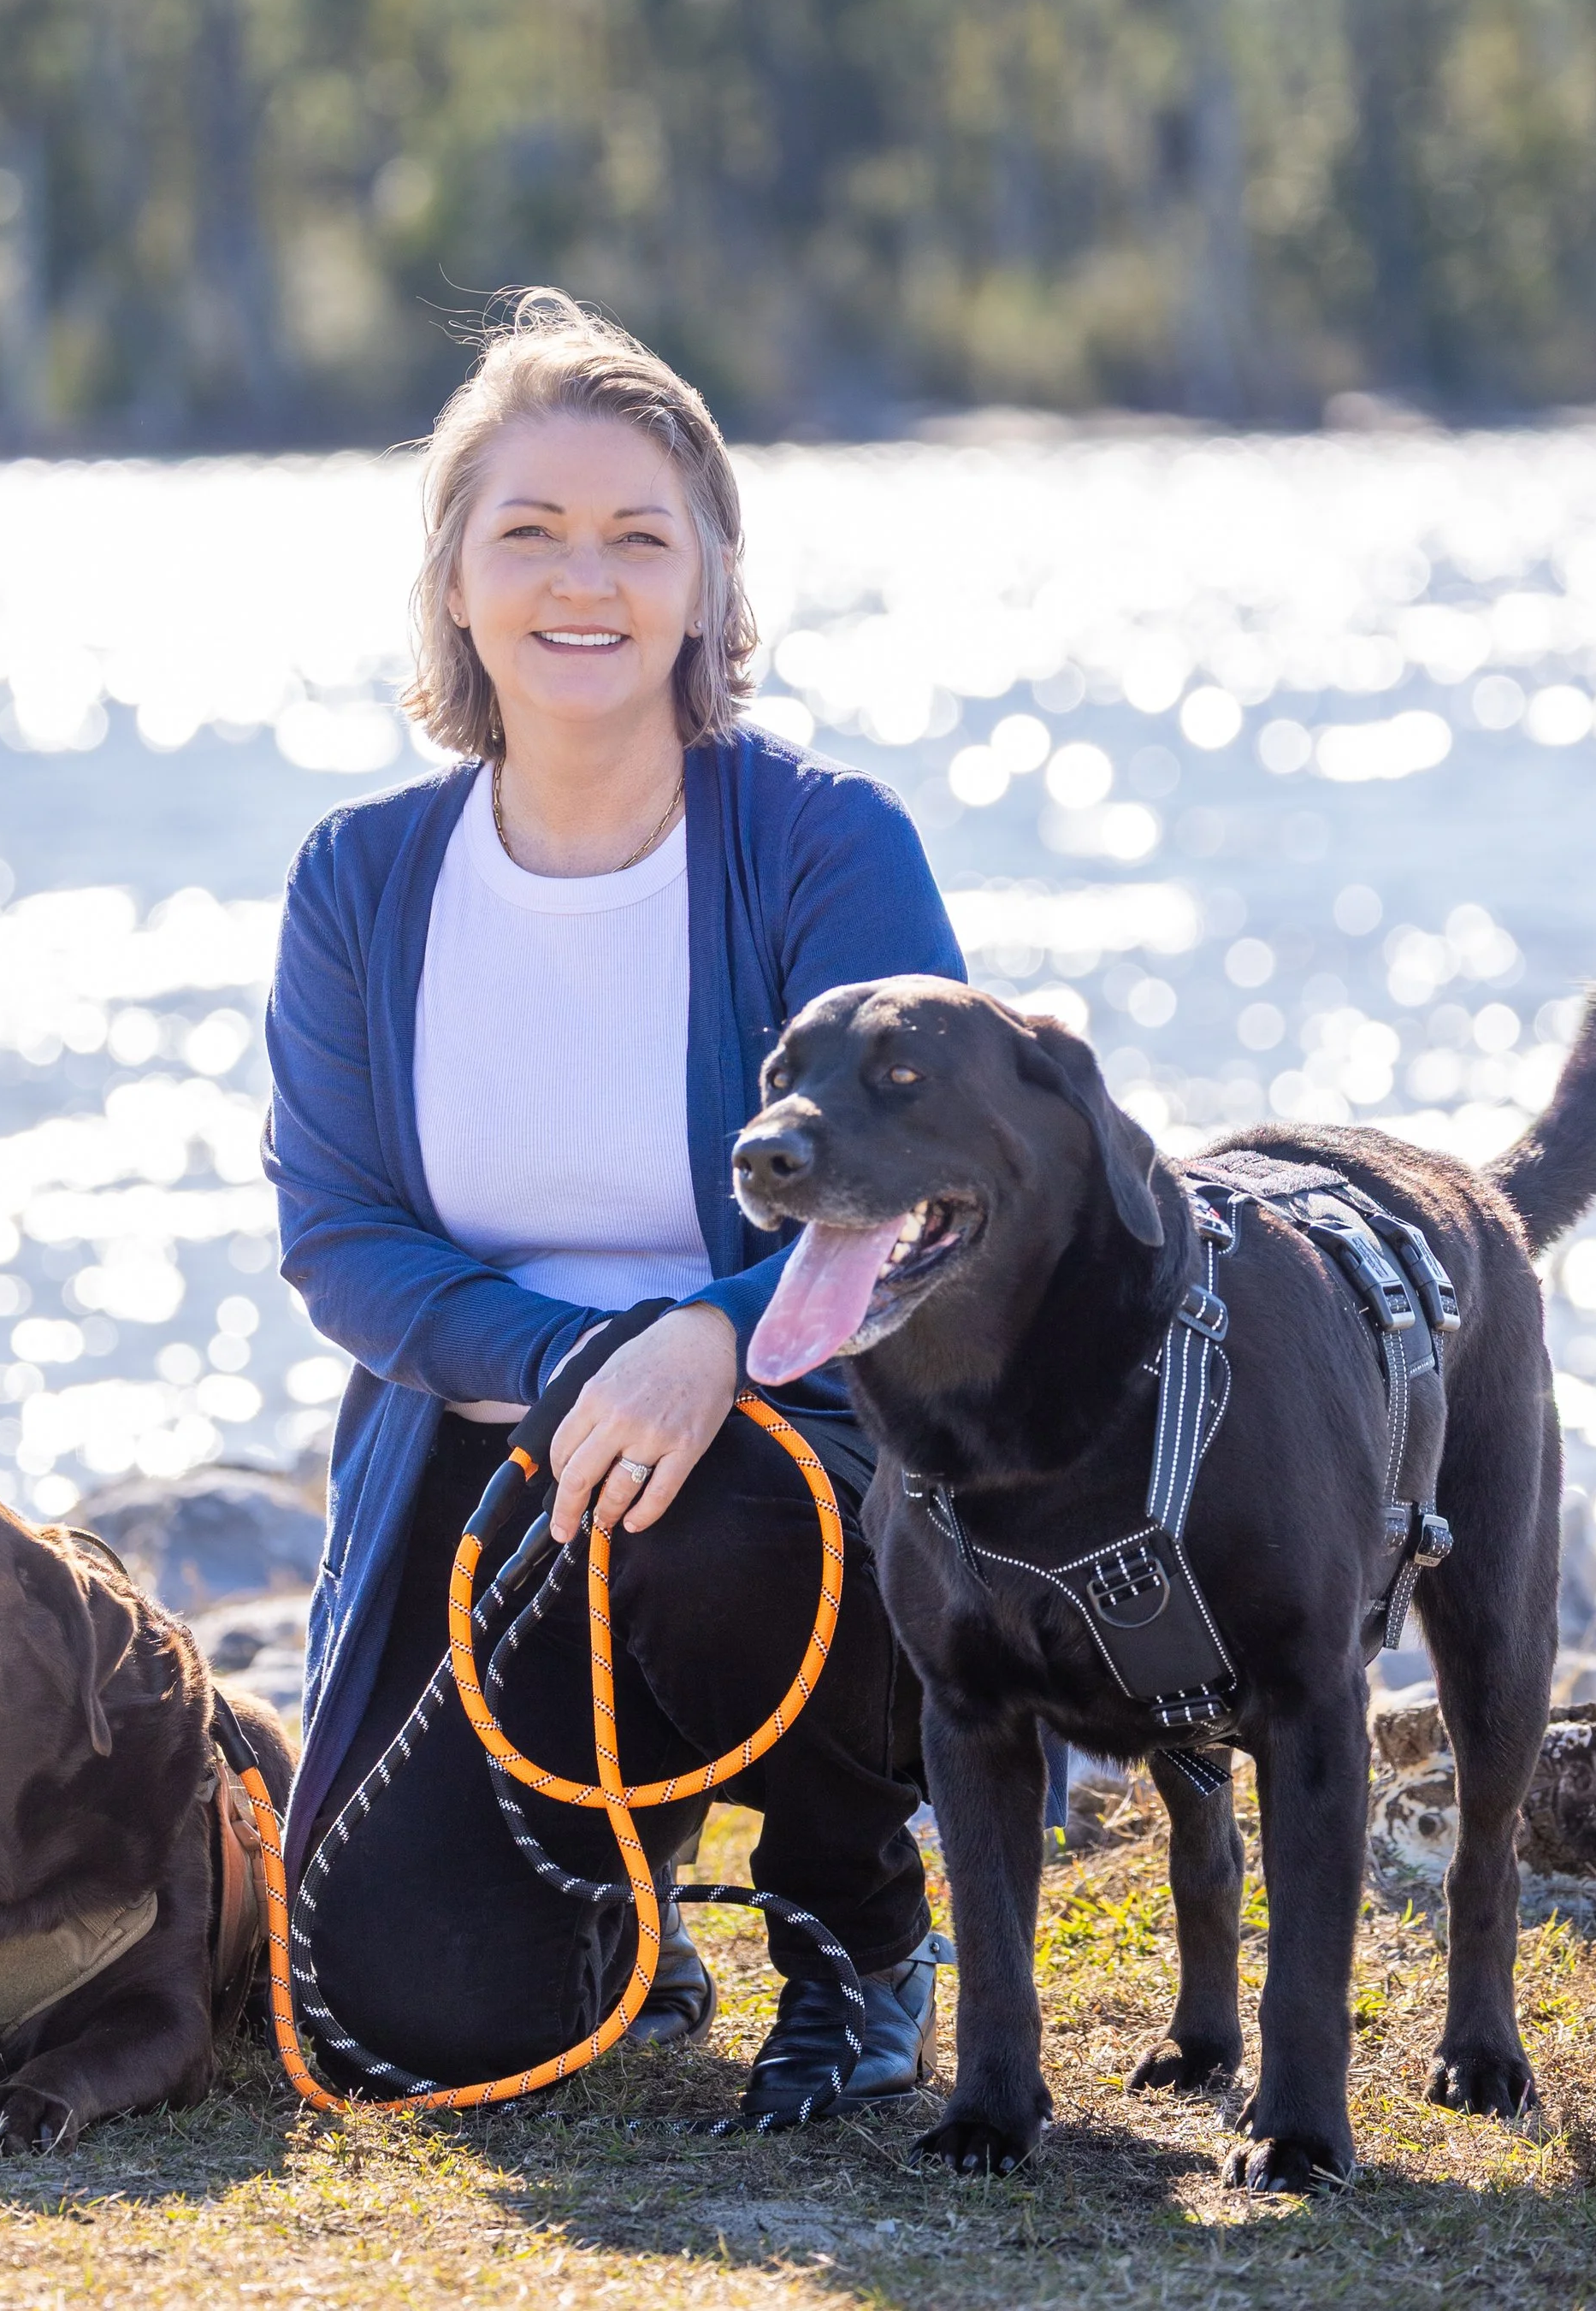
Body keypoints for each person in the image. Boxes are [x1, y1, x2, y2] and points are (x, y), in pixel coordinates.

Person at [262, 290, 980, 2121]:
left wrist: (715, 1338)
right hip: (487, 1471)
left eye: (635, 536)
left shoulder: (821, 841)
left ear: (706, 585)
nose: (581, 579)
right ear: (453, 576)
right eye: (528, 530)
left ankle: (855, 1924)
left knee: (717, 1506)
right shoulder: (360, 877)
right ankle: (622, 1895)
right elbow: (342, 1239)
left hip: (805, 1443)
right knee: (393, 2016)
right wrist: (601, 1356)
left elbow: (924, 1192)